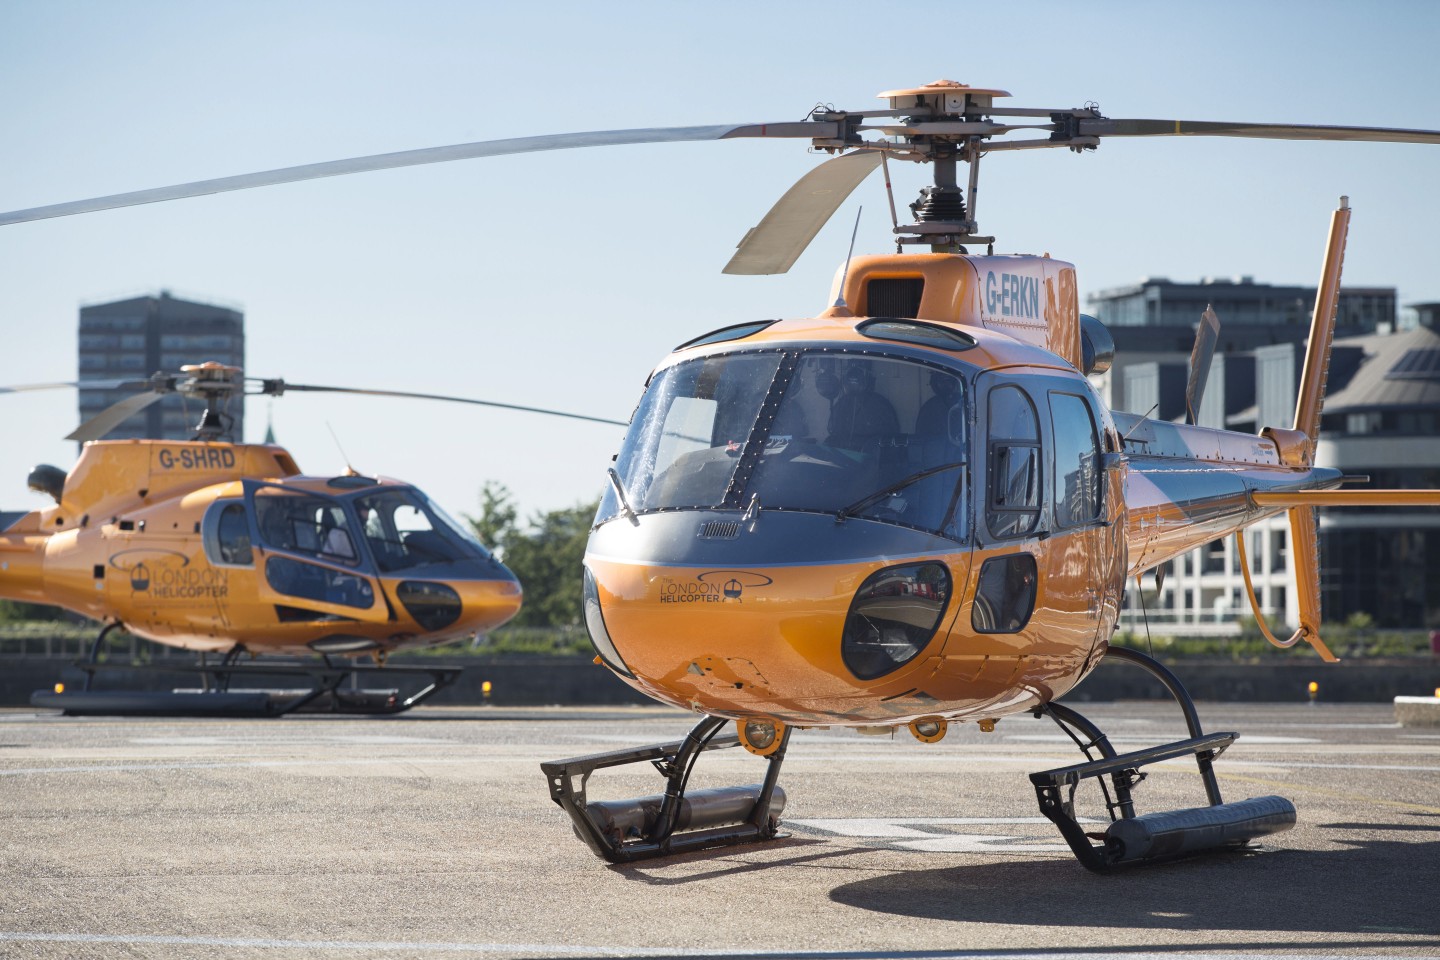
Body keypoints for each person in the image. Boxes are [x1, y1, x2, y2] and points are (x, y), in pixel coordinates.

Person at [826, 361, 899, 451]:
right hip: (842, 460)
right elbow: (834, 434)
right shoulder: (841, 405)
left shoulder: (881, 406)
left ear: (868, 381)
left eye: (856, 381)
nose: (853, 386)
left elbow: (890, 441)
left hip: (872, 461)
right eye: (849, 382)